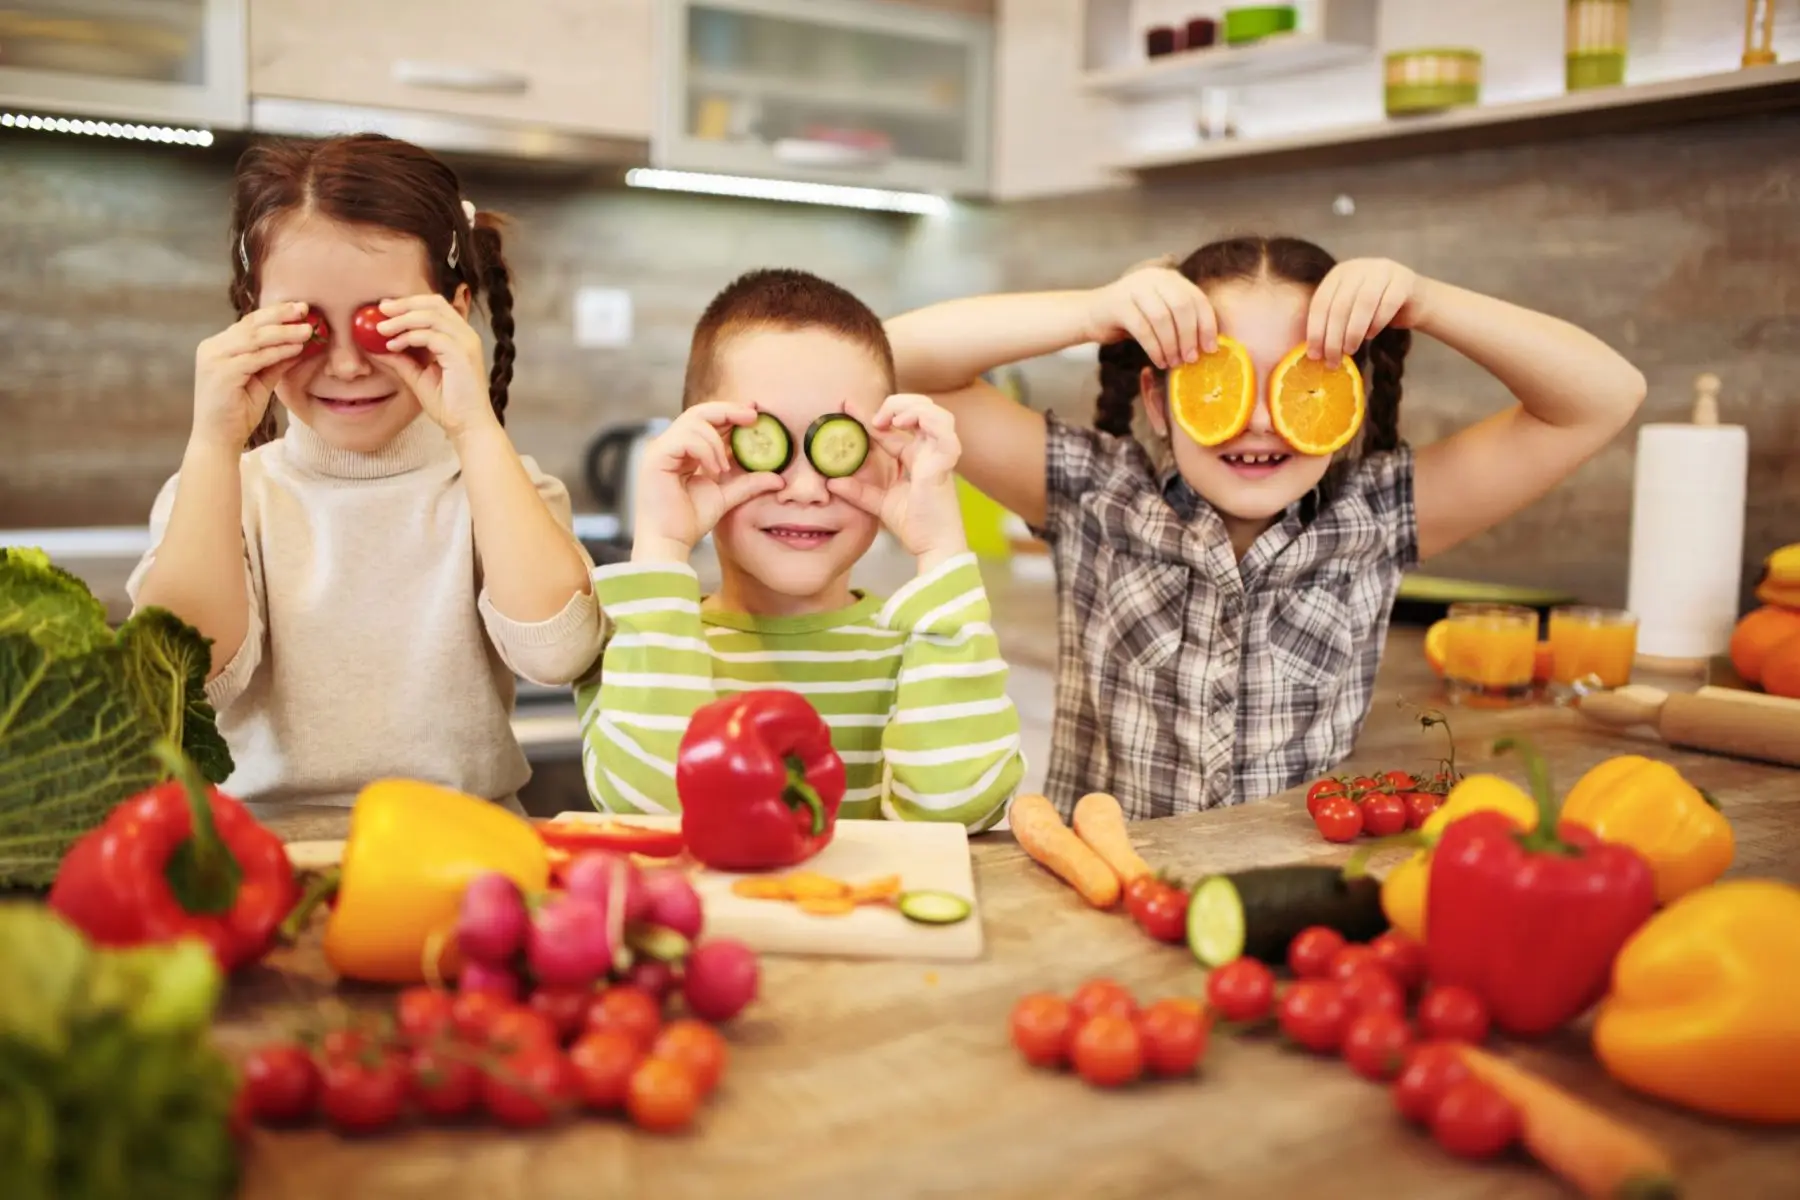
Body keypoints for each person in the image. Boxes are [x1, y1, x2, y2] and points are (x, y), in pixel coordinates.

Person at [883, 237, 1647, 817]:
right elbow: (890, 358)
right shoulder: (1095, 492)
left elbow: (1604, 396)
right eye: (1221, 378)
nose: (1258, 419)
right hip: (1104, 898)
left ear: (1345, 397)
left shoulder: (1376, 514)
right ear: (1159, 401)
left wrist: (1429, 301)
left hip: (1292, 909)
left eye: (1301, 380)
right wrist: (1091, 311)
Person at [127, 133, 603, 813]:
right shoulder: (218, 496)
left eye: (382, 324)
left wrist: (474, 428)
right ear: (251, 320)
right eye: (304, 326)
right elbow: (181, 685)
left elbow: (558, 652)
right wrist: (212, 442)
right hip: (265, 869)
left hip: (465, 857)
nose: (347, 365)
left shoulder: (499, 488)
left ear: (454, 314)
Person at [576, 268, 1024, 831]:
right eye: (766, 442)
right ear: (701, 447)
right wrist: (663, 545)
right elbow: (649, 811)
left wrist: (941, 549)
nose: (807, 489)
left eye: (839, 442)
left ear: (891, 452)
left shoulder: (926, 642)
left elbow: (959, 810)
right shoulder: (644, 638)